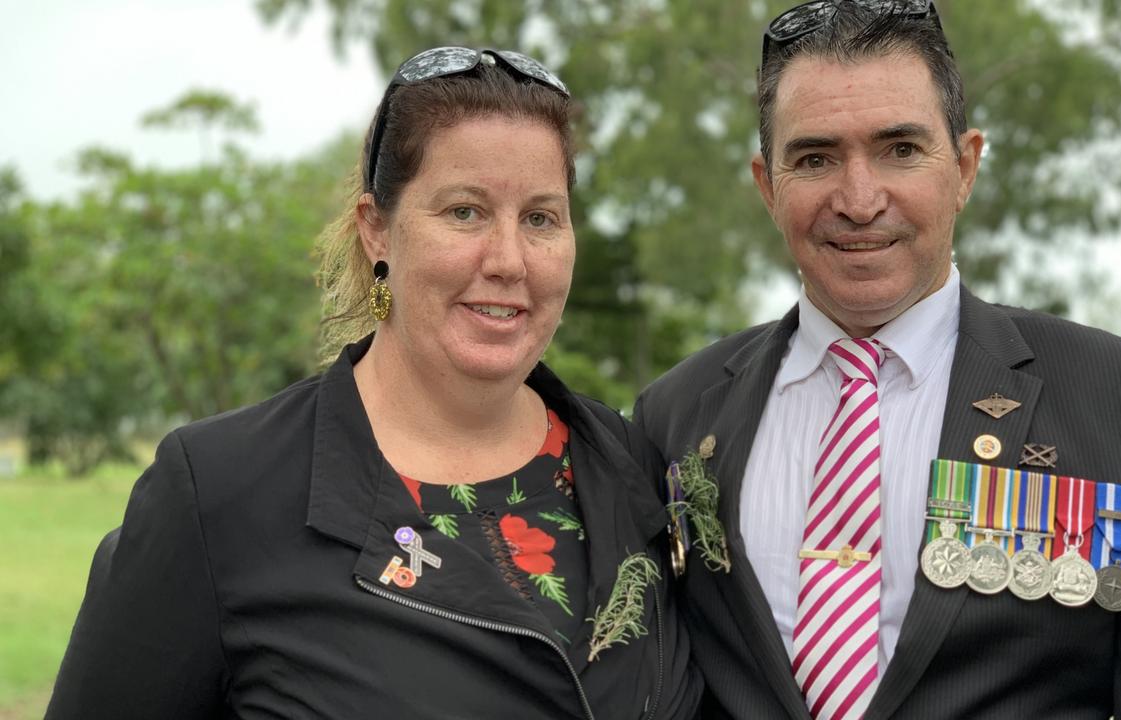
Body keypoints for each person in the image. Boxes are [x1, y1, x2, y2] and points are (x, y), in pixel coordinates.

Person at [633, 2, 1121, 719]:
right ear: (767, 185)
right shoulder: (672, 418)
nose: (859, 199)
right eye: (814, 158)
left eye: (899, 149)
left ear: (964, 167)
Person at [47, 46, 700, 719]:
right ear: (377, 231)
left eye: (539, 218)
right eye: (465, 212)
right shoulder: (219, 492)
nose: (508, 261)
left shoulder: (635, 468)